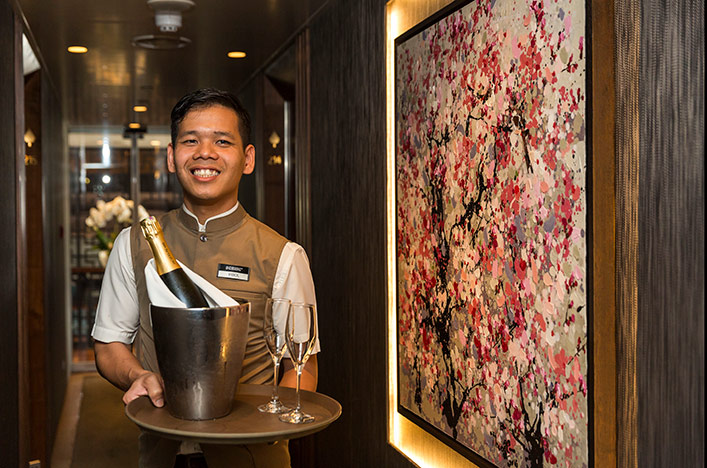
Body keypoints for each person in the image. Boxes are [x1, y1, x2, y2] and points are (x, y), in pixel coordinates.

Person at [91, 88, 319, 468]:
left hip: (251, 457)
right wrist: (138, 375)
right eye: (190, 141)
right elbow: (108, 343)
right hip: (161, 453)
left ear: (247, 160)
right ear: (171, 156)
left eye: (222, 141)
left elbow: (303, 365)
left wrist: (270, 427)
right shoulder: (133, 244)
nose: (204, 153)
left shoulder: (283, 255)